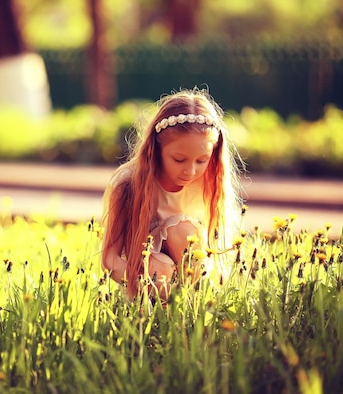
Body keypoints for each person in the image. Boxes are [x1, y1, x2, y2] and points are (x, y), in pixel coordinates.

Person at [100, 87, 244, 299]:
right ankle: (159, 313)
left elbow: (207, 248)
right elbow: (109, 259)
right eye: (179, 159)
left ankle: (193, 305)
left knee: (183, 230)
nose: (191, 171)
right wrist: (146, 286)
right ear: (156, 150)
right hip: (145, 272)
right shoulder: (128, 184)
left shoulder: (210, 181)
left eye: (202, 160)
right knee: (162, 268)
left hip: (194, 271)